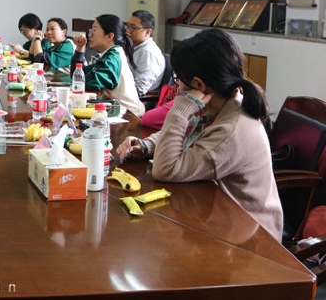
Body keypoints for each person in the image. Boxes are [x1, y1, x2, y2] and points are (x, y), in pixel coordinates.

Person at [116, 28, 283, 240]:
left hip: (250, 236)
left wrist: (178, 111)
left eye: (177, 78)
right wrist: (147, 145)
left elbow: (166, 169)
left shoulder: (231, 130)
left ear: (198, 84)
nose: (176, 84)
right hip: (213, 212)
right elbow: (187, 134)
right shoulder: (219, 104)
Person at [71, 14, 145, 116]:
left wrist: (78, 81)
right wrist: (79, 48)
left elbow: (83, 83)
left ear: (109, 36)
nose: (89, 35)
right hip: (113, 109)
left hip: (126, 115)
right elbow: (78, 75)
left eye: (94, 30)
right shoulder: (109, 54)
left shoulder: (112, 59)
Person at [126, 10, 165, 96]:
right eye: (127, 26)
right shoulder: (135, 48)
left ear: (147, 32)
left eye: (133, 27)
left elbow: (140, 88)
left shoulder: (149, 53)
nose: (127, 31)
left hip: (137, 100)